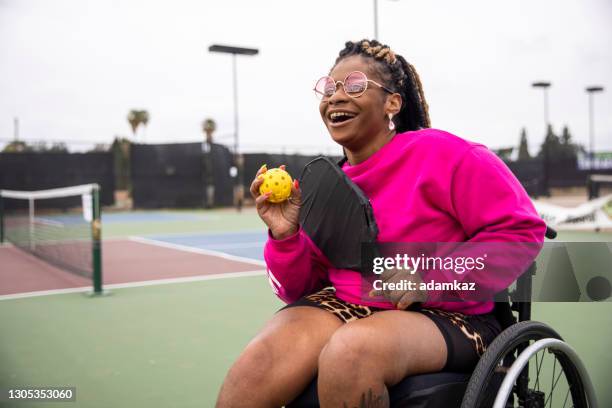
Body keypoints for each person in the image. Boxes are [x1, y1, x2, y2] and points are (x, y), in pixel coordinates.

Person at [216, 39, 546, 407]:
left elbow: (521, 231)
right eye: (329, 87)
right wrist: (285, 236)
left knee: (351, 351)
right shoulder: (326, 186)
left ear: (392, 102)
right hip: (346, 303)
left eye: (354, 85)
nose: (335, 96)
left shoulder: (445, 155)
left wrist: (429, 279)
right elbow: (299, 289)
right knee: (256, 366)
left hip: (451, 315)